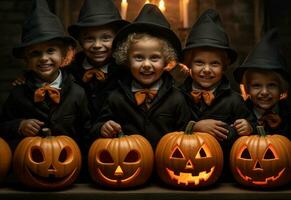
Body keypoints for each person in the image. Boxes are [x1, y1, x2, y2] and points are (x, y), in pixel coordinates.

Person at [93, 4, 192, 148]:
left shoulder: (177, 98)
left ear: (167, 61)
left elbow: (187, 136)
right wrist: (102, 127)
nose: (146, 64)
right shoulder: (116, 97)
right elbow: (97, 127)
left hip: (167, 164)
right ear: (127, 60)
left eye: (154, 58)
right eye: (139, 58)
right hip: (127, 163)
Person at [0, 0, 91, 150]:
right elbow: (3, 126)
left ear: (63, 55)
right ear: (27, 60)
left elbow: (86, 131)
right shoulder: (18, 93)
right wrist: (19, 125)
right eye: (35, 53)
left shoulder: (77, 92)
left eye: (50, 51)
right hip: (31, 162)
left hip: (70, 162)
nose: (43, 58)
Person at [67, 0, 129, 119]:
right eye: (89, 39)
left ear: (117, 39)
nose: (97, 45)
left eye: (105, 38)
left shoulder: (126, 70)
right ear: (80, 41)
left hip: (115, 134)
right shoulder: (69, 70)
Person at [233, 29, 290, 138]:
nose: (264, 92)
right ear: (247, 88)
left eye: (272, 85)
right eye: (257, 85)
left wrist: (280, 126)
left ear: (282, 88)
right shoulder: (238, 111)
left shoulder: (287, 114)